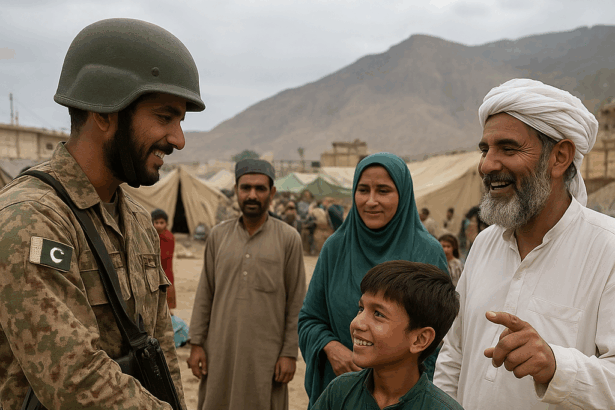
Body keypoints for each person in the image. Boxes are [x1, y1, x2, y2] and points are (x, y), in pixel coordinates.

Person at [0, 18, 204, 409]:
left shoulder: (138, 223)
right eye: (165, 117)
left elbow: (158, 354)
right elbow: (74, 380)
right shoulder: (31, 219)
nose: (178, 139)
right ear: (104, 113)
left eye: (180, 121)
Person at [434, 78, 615, 410]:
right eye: (485, 150)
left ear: (559, 157)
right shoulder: (485, 244)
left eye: (508, 148)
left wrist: (555, 366)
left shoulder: (608, 250)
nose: (487, 165)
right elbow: (454, 355)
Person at [298, 153, 449, 408]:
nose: (371, 201)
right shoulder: (336, 248)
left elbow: (437, 340)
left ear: (403, 195)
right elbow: (309, 318)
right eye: (363, 190)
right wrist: (331, 347)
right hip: (340, 395)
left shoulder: (426, 252)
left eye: (383, 191)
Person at [187, 158, 307, 410]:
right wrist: (197, 343)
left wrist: (288, 353)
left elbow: (296, 301)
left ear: (272, 193)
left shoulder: (289, 239)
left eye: (260, 188)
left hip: (266, 355)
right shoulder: (218, 236)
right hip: (220, 350)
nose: (252, 195)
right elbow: (205, 293)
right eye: (246, 188)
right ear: (236, 191)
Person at [312, 261, 463, 410]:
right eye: (361, 308)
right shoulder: (340, 392)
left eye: (378, 314)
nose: (357, 323)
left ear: (419, 339)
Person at [152, 208, 177, 312]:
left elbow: (163, 255)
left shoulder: (169, 237)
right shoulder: (151, 236)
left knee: (167, 297)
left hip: (166, 270)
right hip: (154, 271)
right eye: (156, 222)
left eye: (161, 223)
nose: (158, 225)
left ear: (166, 224)